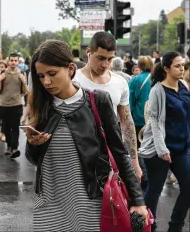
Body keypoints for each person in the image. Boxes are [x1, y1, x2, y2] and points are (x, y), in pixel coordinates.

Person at [25, 40, 148, 231]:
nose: (46, 82)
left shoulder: (97, 101)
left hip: (89, 204)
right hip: (49, 206)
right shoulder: (42, 105)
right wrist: (33, 144)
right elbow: (33, 159)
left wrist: (138, 199)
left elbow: (118, 151)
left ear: (70, 69)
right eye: (40, 76)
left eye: (52, 74)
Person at [73, 31, 143, 182]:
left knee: (110, 200)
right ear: (88, 52)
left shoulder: (120, 83)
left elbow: (127, 122)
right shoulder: (73, 80)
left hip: (111, 156)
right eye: (101, 58)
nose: (105, 64)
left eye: (110, 59)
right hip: (77, 155)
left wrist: (134, 162)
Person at [138, 52, 190, 232]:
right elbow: (156, 122)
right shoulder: (157, 91)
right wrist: (162, 149)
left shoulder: (183, 86)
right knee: (154, 190)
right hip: (158, 149)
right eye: (177, 66)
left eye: (182, 65)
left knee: (188, 187)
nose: (182, 68)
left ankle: (175, 227)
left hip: (181, 148)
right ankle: (147, 227)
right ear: (166, 68)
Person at [0, 52, 28, 158]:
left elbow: (25, 92)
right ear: (8, 61)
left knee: (15, 127)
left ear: (18, 62)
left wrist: (23, 82)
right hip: (4, 104)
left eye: (15, 60)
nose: (13, 62)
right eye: (11, 60)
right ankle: (9, 145)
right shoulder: (3, 72)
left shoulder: (22, 73)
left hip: (17, 104)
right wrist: (0, 80)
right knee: (6, 127)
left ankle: (14, 148)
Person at [129, 55, 153, 191]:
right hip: (153, 120)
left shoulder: (135, 80)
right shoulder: (157, 80)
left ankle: (143, 177)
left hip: (138, 119)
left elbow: (129, 101)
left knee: (138, 149)